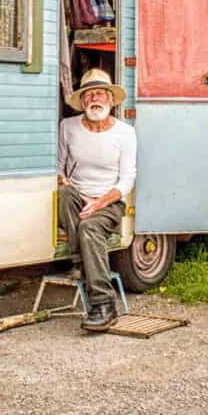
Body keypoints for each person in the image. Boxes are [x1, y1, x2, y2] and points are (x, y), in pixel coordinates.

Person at [58, 68, 137, 331]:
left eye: (101, 94)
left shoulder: (125, 133)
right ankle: (81, 261)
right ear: (82, 101)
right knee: (64, 194)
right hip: (77, 198)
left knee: (89, 227)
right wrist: (64, 180)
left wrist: (100, 203)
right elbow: (58, 166)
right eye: (89, 94)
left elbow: (127, 181)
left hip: (109, 203)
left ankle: (104, 305)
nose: (96, 99)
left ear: (111, 100)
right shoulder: (67, 127)